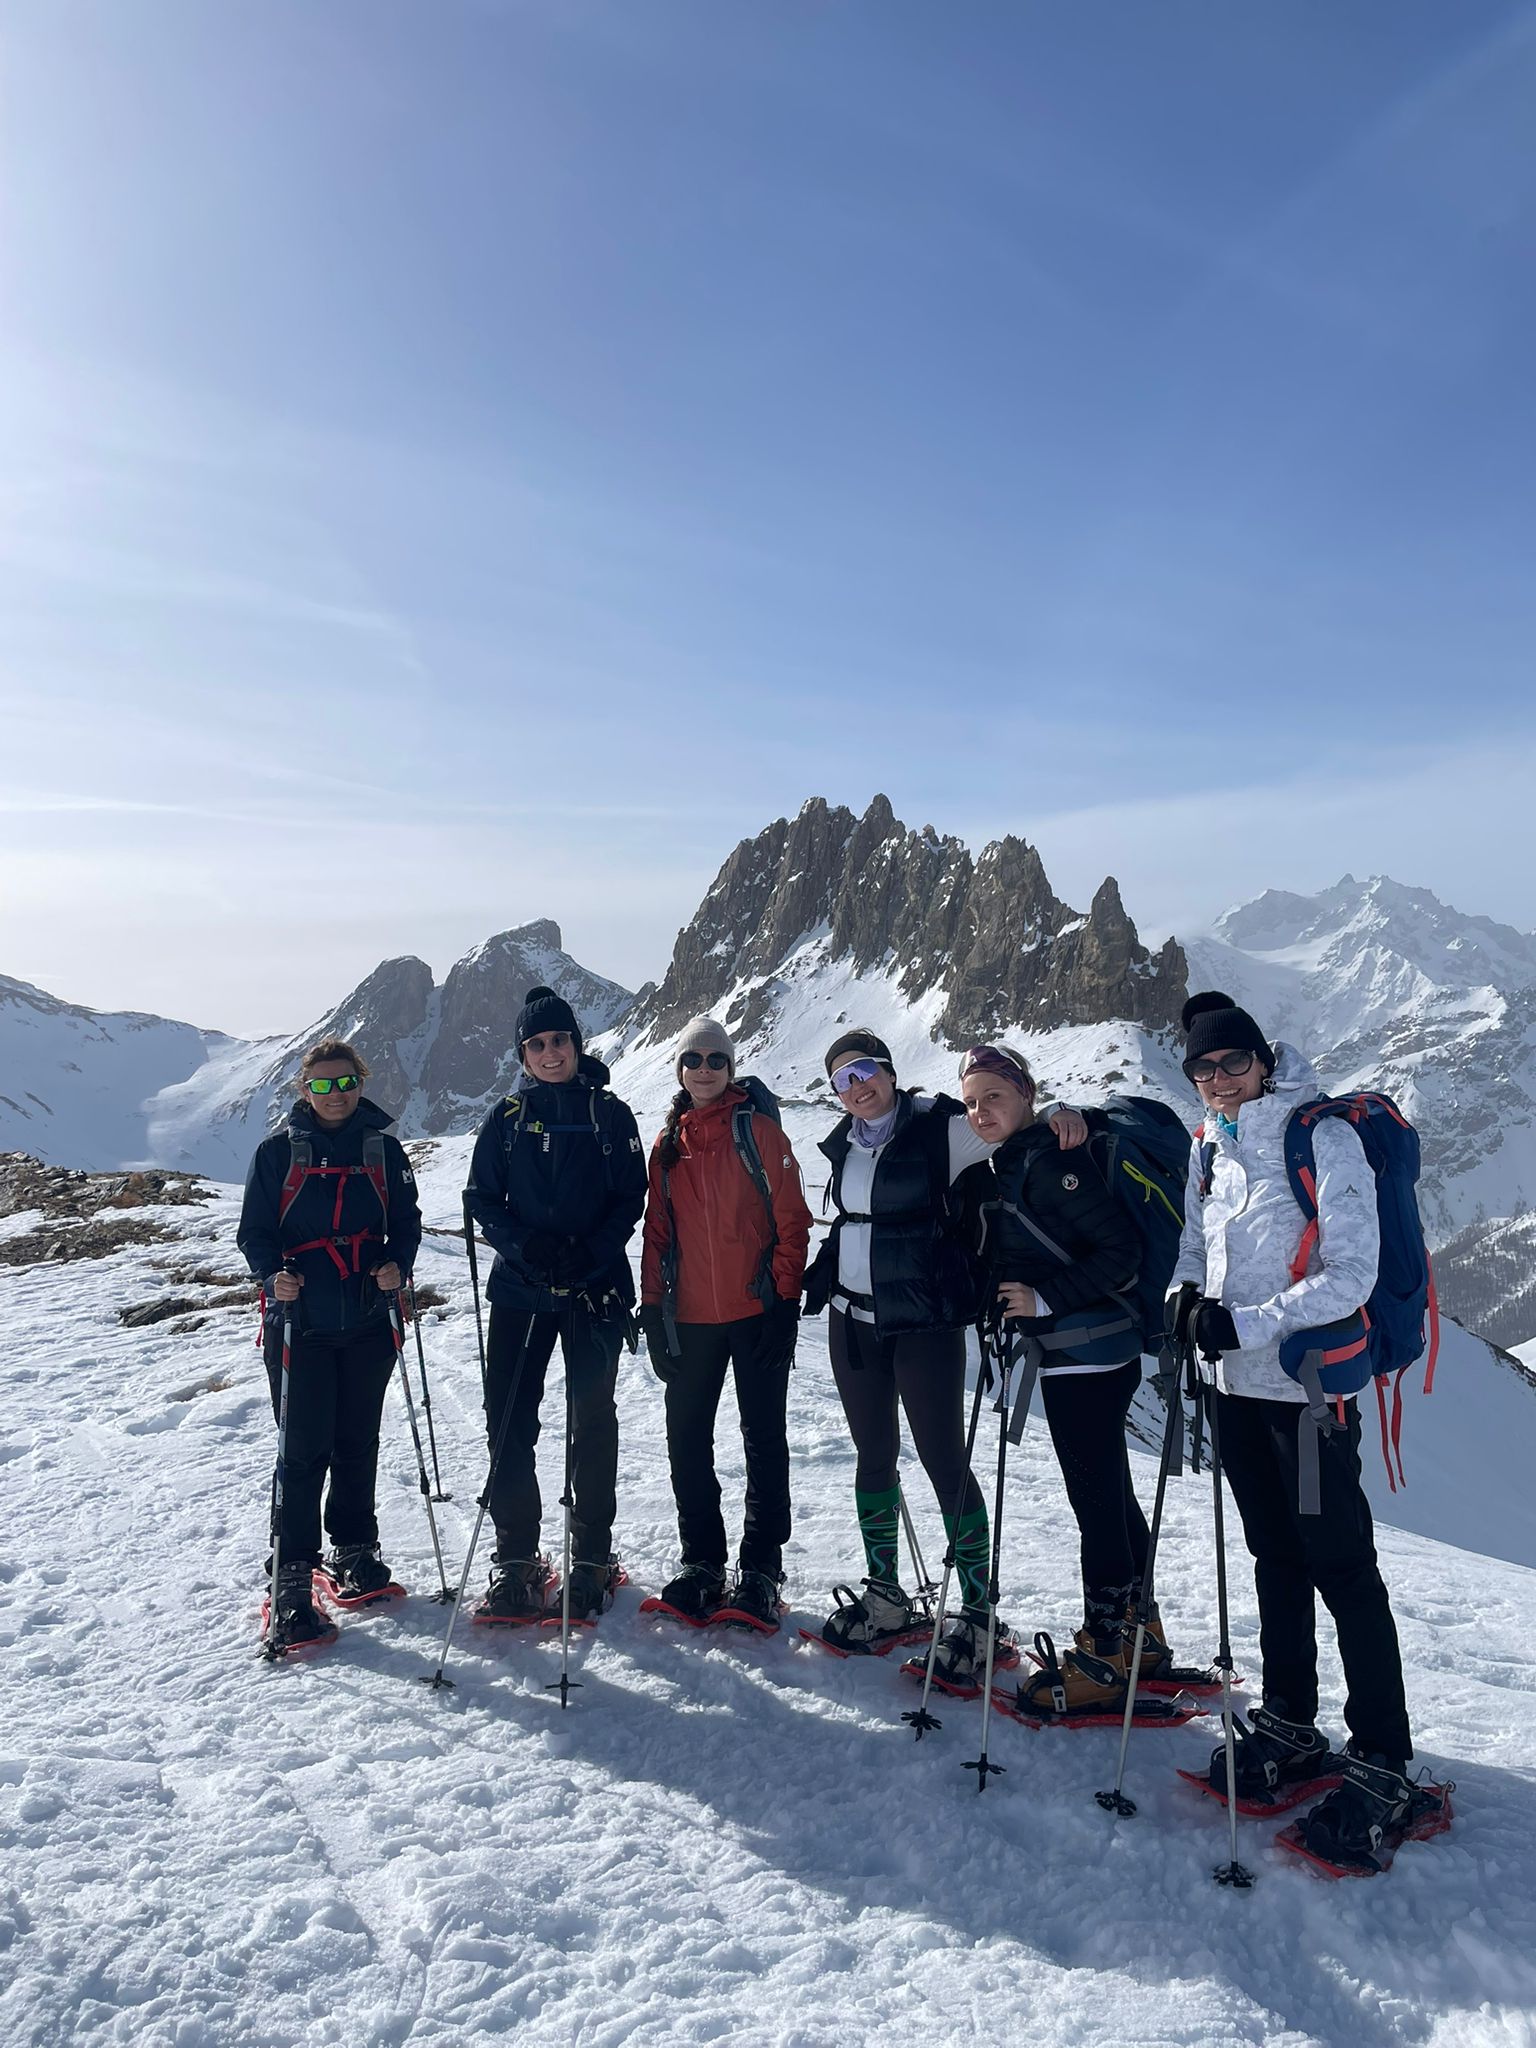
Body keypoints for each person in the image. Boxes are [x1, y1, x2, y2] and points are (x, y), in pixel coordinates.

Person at [1169, 989, 1415, 1864]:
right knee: (1274, 1554)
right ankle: (1290, 1718)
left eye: (1233, 1064)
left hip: (1307, 1394)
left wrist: (1248, 1322)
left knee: (1341, 1565)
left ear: (1263, 1060)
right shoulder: (1212, 1143)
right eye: (1203, 1071)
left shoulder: (1322, 1136)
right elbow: (1202, 1241)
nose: (1220, 1083)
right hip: (1238, 1390)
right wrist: (1186, 1295)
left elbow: (1353, 1269)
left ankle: (1384, 1751)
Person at [802, 1027, 1085, 1689]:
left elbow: (1006, 1122)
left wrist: (1061, 1114)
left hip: (924, 1325)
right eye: (844, 1079)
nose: (858, 1086)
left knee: (943, 1462)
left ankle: (981, 1615)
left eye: (866, 1071)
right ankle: (886, 1594)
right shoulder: (844, 1143)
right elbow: (856, 1220)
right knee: (872, 1455)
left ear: (890, 1072)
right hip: (854, 1323)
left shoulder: (940, 1130)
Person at [956, 1043, 1181, 1717]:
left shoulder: (1051, 1162)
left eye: (993, 1096)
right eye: (971, 1102)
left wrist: (1045, 1301)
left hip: (1085, 1351)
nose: (980, 1111)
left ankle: (1108, 1654)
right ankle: (1143, 1635)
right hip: (1086, 1351)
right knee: (1110, 1490)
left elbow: (1121, 1252)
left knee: (1096, 1501)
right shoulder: (1026, 1156)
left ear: (1026, 1093)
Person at [463, 986, 647, 1624]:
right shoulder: (506, 1117)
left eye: (559, 1040)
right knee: (509, 1416)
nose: (550, 1052)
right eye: (537, 1044)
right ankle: (517, 1557)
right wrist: (525, 1248)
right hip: (521, 1289)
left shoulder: (611, 1114)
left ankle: (591, 1556)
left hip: (593, 1290)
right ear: (523, 1052)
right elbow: (481, 1196)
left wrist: (589, 1254)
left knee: (591, 1416)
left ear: (576, 1043)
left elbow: (632, 1196)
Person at [238, 1038, 422, 1648]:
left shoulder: (384, 1151)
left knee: (356, 1439)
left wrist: (399, 1263)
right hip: (302, 1322)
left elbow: (407, 1222)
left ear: (361, 1083)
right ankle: (291, 1569)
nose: (335, 1094)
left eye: (345, 1083)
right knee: (302, 1445)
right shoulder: (276, 1155)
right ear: (303, 1090)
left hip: (368, 1319)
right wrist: (272, 1276)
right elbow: (255, 1232)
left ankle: (353, 1548)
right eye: (321, 1085)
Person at [638, 1017, 813, 1630]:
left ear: (732, 1068)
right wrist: (652, 1312)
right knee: (686, 1441)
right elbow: (657, 1233)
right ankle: (702, 1564)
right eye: (694, 1059)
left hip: (755, 1313)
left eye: (716, 1059)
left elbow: (793, 1221)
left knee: (763, 1439)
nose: (705, 1069)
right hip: (690, 1318)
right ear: (680, 1070)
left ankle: (761, 1570)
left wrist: (785, 1305)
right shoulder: (667, 1145)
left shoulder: (759, 1132)